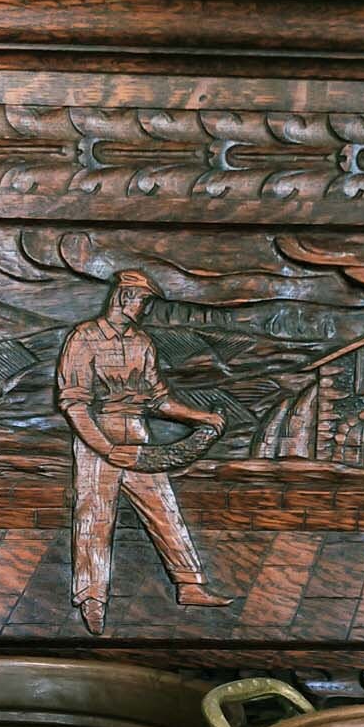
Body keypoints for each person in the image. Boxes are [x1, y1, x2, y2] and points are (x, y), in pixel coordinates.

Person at [56, 269, 231, 635]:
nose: (144, 310)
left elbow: (158, 399)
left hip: (137, 433)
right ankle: (92, 598)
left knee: (163, 507)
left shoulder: (142, 343)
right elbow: (74, 404)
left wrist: (199, 416)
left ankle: (190, 585)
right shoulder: (83, 338)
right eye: (141, 301)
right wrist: (105, 447)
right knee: (94, 516)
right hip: (96, 435)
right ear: (122, 297)